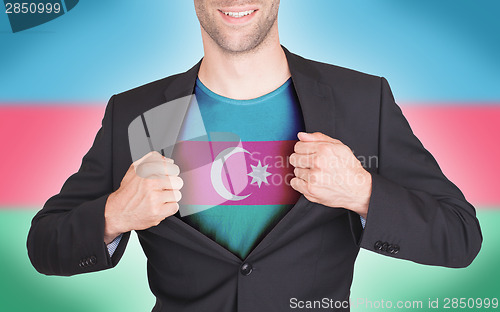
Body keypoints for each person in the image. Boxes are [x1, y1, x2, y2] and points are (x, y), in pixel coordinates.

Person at [27, 1, 482, 311]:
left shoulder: (362, 100)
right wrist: (114, 214)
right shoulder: (136, 113)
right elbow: (44, 245)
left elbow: (460, 237)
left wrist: (363, 192)